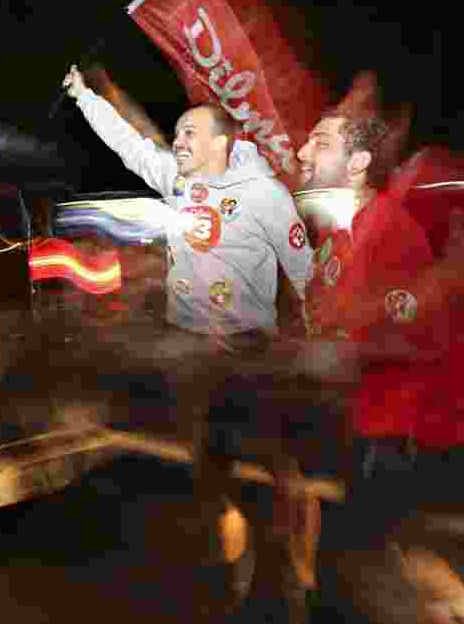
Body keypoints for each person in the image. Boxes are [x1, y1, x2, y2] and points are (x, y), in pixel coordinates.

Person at [63, 64, 316, 615]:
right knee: (212, 473)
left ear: (222, 144)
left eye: (189, 134)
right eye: (177, 134)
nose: (177, 141)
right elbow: (133, 142)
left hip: (257, 356)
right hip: (205, 360)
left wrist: (309, 334)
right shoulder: (179, 182)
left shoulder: (263, 194)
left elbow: (303, 270)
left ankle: (298, 583)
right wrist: (92, 96)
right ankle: (237, 582)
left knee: (280, 474)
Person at [288, 106, 464, 619]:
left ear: (358, 161)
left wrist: (341, 348)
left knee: (385, 565)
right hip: (364, 427)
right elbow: (325, 321)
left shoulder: (388, 229)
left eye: (320, 142)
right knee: (384, 565)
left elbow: (419, 336)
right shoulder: (336, 239)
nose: (301, 152)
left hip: (404, 436)